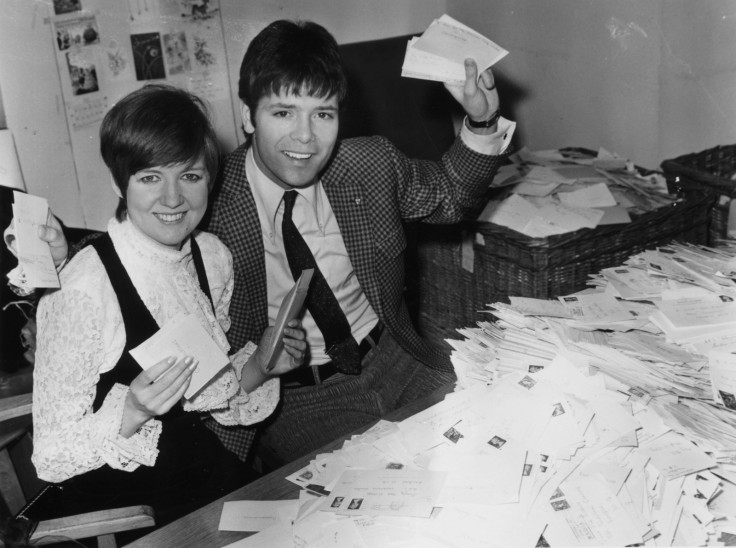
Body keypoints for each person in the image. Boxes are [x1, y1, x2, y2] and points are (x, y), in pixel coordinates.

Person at [15, 19, 515, 468]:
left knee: (492, 454)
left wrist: (482, 121)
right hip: (293, 401)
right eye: (283, 112)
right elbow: (146, 233)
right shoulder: (207, 192)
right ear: (249, 117)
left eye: (323, 114)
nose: (305, 138)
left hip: (395, 359)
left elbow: (449, 197)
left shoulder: (370, 164)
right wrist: (57, 265)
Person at [27, 83, 306, 527]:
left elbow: (208, 393)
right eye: (151, 177)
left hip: (194, 473)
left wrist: (264, 365)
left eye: (191, 176)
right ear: (121, 181)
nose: (174, 198)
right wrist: (134, 410)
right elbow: (51, 456)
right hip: (121, 506)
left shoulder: (211, 257)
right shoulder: (81, 291)